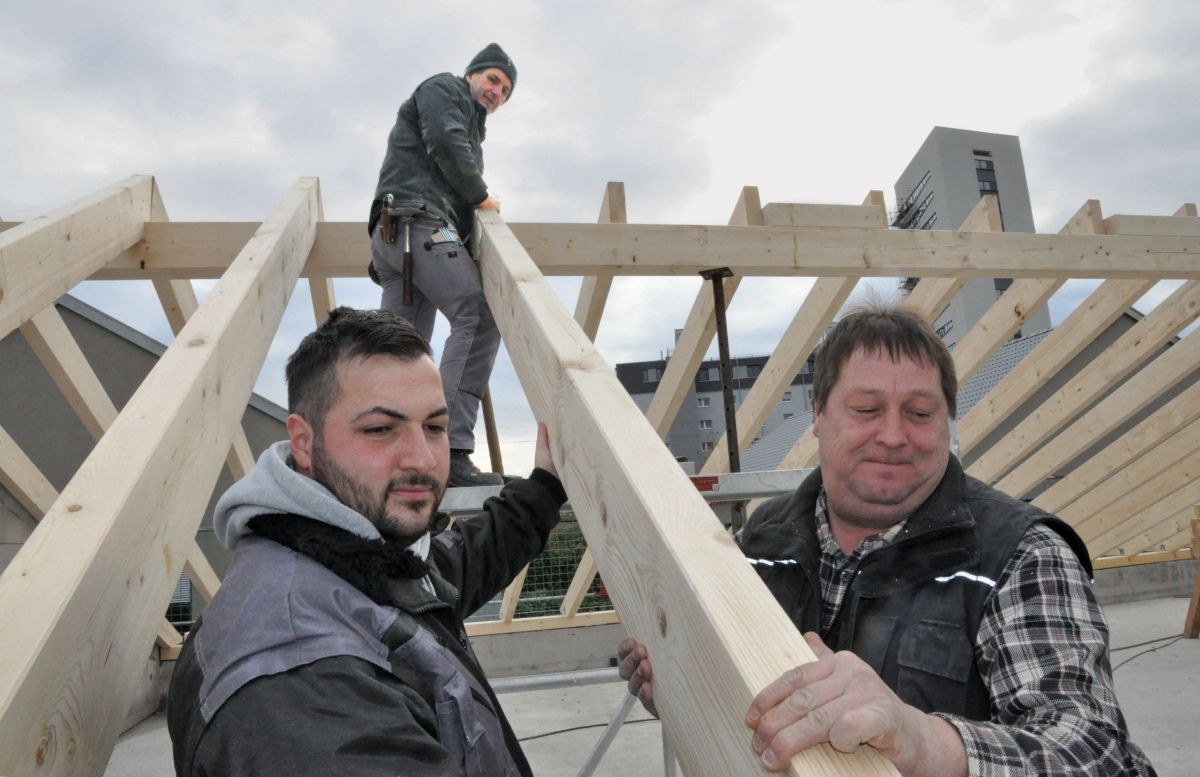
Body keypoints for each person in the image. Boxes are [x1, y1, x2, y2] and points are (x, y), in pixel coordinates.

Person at [618, 301, 1156, 776]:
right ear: (819, 416)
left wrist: (924, 743)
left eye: (920, 413)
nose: (894, 435)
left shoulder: (1019, 556)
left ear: (947, 421)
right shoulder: (761, 541)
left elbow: (1092, 754)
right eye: (867, 410)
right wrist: (679, 682)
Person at [167, 307, 566, 777]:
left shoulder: (347, 561)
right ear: (302, 442)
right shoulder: (301, 687)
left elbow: (457, 564)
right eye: (380, 429)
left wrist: (544, 486)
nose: (422, 458)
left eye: (435, 427)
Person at [368, 42, 517, 487]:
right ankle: (450, 449)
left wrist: (469, 241)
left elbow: (459, 203)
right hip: (418, 223)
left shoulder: (472, 127)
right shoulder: (444, 90)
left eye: (506, 91)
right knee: (480, 314)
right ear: (472, 74)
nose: (497, 92)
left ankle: (394, 461)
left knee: (401, 353)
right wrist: (482, 194)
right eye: (493, 80)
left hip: (403, 236)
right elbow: (446, 143)